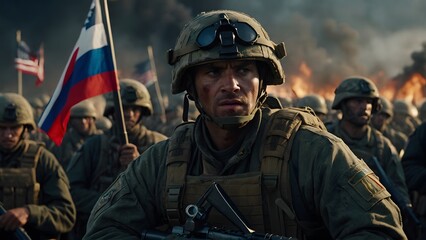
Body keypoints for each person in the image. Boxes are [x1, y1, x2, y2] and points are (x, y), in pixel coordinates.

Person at [83, 10, 406, 240]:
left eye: (244, 70)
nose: (232, 85)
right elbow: (104, 230)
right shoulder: (162, 162)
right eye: (213, 72)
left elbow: (378, 230)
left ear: (261, 82)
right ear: (191, 86)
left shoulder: (314, 153)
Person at [66, 78, 167, 239]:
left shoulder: (160, 146)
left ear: (143, 112)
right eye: (124, 108)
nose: (129, 114)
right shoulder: (94, 146)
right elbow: (71, 191)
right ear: (112, 111)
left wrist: (140, 165)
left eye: (135, 109)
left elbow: (170, 193)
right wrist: (108, 205)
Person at [326, 77, 412, 236]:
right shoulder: (325, 140)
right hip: (329, 220)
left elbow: (398, 190)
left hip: (369, 225)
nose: (364, 107)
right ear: (342, 104)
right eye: (357, 101)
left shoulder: (382, 146)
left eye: (368, 102)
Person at [0, 92, 76, 239]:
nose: (8, 135)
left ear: (25, 129)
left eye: (14, 128)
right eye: (2, 128)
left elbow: (66, 214)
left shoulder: (42, 159)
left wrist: (29, 213)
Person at [49, 100, 102, 168]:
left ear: (93, 119)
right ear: (71, 121)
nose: (83, 121)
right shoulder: (63, 142)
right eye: (79, 118)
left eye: (87, 117)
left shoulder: (101, 139)